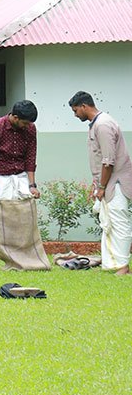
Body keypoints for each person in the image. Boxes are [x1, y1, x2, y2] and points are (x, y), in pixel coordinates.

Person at [70, 91, 132, 274]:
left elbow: (108, 161)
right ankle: (113, 264)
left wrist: (102, 187)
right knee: (110, 224)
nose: (75, 115)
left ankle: (123, 267)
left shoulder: (103, 125)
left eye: (75, 111)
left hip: (116, 184)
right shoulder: (97, 123)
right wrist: (98, 184)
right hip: (108, 183)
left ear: (84, 106)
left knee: (119, 224)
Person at [0, 100, 41, 200]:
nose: (27, 126)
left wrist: (32, 186)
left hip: (21, 175)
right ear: (15, 118)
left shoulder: (30, 128)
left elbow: (31, 157)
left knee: (26, 209)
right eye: (25, 123)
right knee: (3, 211)